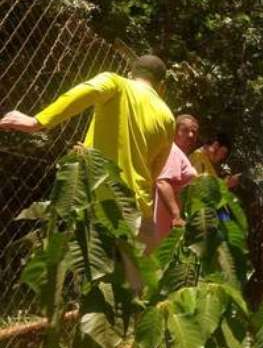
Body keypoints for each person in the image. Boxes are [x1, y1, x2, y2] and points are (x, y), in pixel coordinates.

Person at [0, 55, 174, 244]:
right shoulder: (168, 117)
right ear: (161, 86)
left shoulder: (117, 83)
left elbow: (87, 91)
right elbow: (155, 171)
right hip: (138, 209)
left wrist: (38, 121)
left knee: (89, 265)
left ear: (130, 73)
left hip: (100, 201)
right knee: (132, 272)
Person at [153, 114, 199, 246]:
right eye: (185, 130)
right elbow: (162, 182)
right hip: (167, 228)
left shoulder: (179, 154)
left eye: (193, 132)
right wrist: (176, 216)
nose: (190, 135)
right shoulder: (172, 151)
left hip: (169, 229)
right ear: (175, 132)